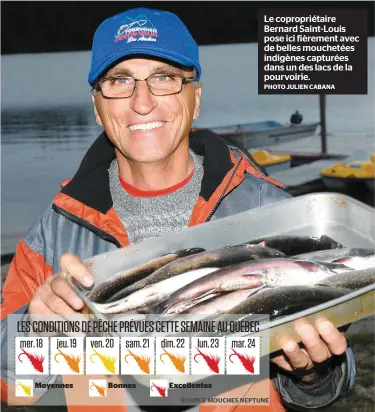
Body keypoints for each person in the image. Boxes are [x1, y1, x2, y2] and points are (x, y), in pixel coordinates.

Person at [1, 6, 355, 412]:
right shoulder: (52, 237)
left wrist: (312, 374)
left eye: (164, 78)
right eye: (120, 81)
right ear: (98, 107)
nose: (143, 102)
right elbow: (11, 387)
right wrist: (36, 330)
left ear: (196, 98)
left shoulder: (274, 213)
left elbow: (330, 382)